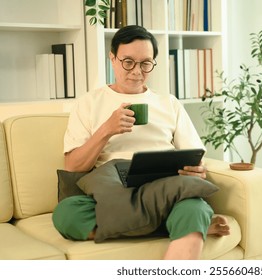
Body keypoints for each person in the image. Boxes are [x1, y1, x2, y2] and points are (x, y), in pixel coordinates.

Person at [52, 25, 230, 259]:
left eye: (146, 63)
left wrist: (197, 171)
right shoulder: (89, 102)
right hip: (112, 191)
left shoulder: (169, 103)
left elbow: (195, 157)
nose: (137, 71)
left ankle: (185, 222)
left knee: (193, 207)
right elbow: (73, 166)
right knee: (67, 214)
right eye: (128, 62)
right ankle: (181, 225)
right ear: (112, 58)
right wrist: (107, 130)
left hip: (164, 186)